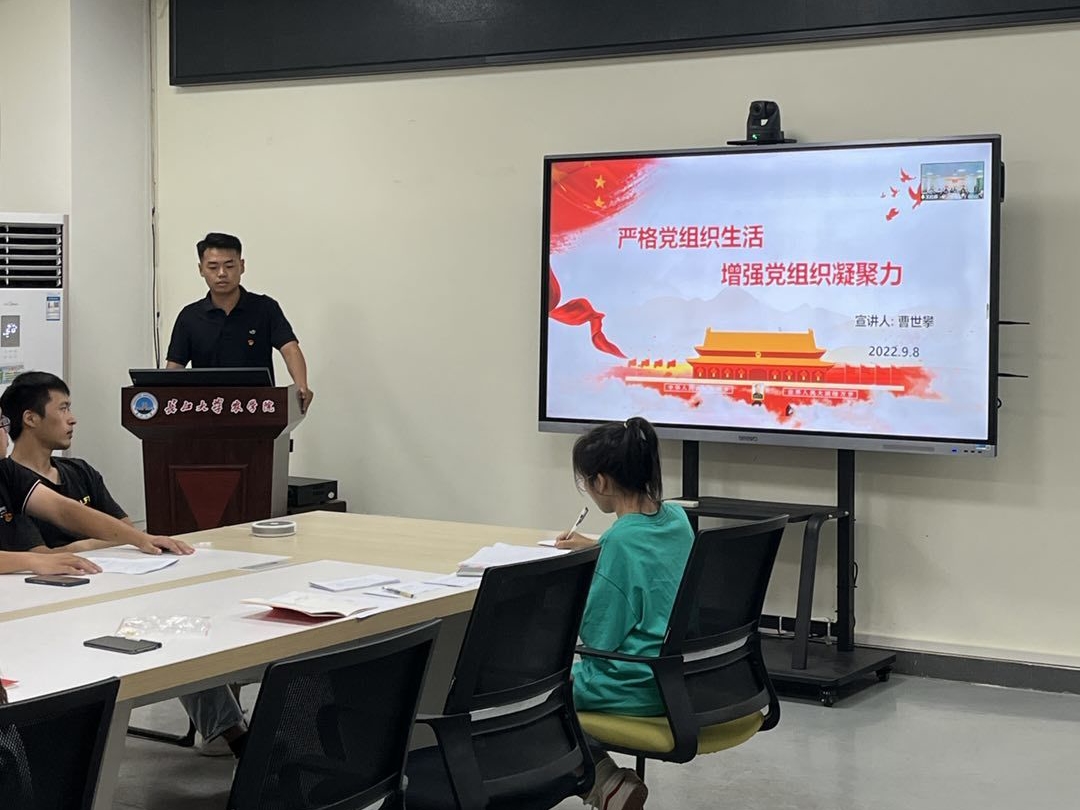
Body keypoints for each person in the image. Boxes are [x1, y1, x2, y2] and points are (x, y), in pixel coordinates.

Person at [0, 372, 249, 757]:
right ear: (31, 418)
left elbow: (66, 511)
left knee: (170, 621)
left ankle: (230, 731)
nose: (4, 433)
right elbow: (45, 556)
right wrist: (37, 559)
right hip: (38, 607)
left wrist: (138, 538)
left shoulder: (19, 475)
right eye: (63, 408)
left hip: (98, 585)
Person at [554, 417, 694, 810]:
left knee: (534, 699)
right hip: (679, 676)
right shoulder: (676, 519)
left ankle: (604, 781)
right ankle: (608, 782)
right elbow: (647, 557)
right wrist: (598, 548)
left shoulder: (619, 542)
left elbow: (599, 634)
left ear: (601, 482)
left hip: (633, 683)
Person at [166, 232, 313, 414]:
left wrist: (301, 385)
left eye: (229, 266)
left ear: (242, 266)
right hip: (207, 412)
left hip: (257, 410)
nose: (222, 273)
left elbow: (290, 349)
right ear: (201, 269)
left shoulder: (265, 308)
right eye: (213, 267)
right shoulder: (189, 317)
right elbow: (174, 368)